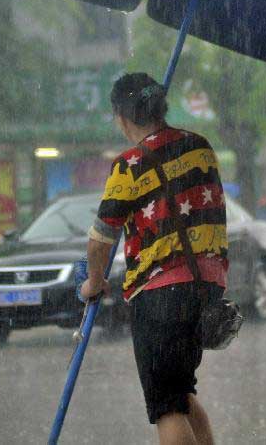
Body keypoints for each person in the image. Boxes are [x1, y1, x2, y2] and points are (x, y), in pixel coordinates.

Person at [80, 72, 228, 445]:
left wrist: (93, 282)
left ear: (121, 116)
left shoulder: (129, 165)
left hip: (161, 293)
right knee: (180, 391)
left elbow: (100, 240)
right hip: (206, 289)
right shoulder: (200, 146)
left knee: (166, 407)